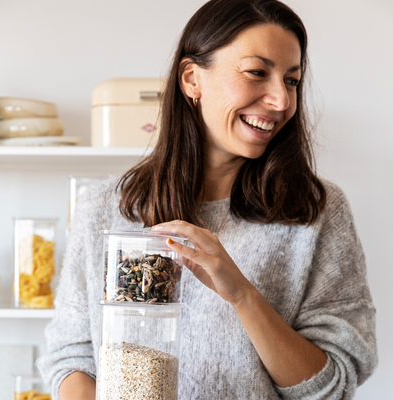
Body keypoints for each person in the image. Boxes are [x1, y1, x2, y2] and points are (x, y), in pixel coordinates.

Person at [37, 0, 377, 399]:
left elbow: (332, 383)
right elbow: (72, 357)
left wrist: (242, 295)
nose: (281, 100)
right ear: (191, 79)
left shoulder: (314, 213)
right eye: (257, 72)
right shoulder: (105, 210)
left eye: (291, 80)